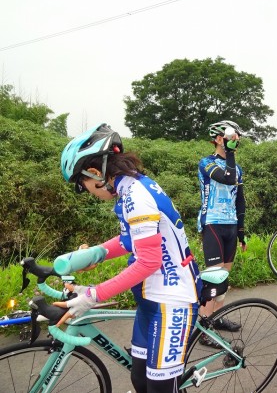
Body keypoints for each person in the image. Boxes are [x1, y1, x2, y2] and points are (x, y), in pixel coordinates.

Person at [56, 123, 201, 393]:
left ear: (95, 172)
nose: (88, 192)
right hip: (149, 297)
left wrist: (93, 295)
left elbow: (148, 261)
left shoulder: (136, 196)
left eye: (83, 185)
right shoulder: (128, 190)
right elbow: (128, 241)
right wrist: (96, 253)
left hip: (172, 300)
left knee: (160, 389)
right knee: (139, 381)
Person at [197, 120, 246, 332]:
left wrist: (242, 230)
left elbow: (240, 199)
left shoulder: (238, 168)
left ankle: (215, 318)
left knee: (223, 281)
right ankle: (203, 327)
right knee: (213, 280)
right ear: (219, 139)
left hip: (231, 225)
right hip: (213, 224)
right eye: (232, 136)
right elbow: (227, 178)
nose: (237, 139)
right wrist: (230, 153)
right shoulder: (206, 162)